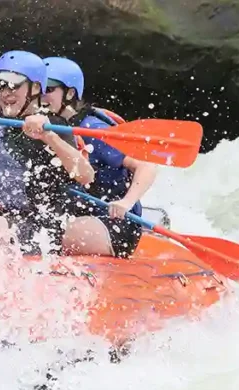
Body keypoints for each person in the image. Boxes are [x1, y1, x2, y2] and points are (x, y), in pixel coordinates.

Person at [0, 50, 97, 256]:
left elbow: (86, 176)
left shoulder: (54, 125)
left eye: (14, 86)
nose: (6, 93)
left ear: (35, 88)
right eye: (1, 85)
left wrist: (48, 136)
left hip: (35, 226)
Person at [42, 56, 156, 258]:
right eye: (38, 89)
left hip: (115, 222)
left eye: (49, 89)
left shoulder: (92, 129)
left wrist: (126, 202)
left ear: (70, 93)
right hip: (78, 213)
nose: (41, 96)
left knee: (50, 234)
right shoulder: (47, 127)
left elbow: (146, 165)